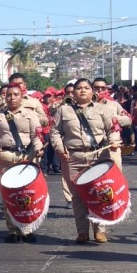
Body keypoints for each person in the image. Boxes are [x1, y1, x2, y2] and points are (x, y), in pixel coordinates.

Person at [50, 78, 120, 244]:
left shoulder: (102, 109)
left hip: (98, 157)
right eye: (79, 88)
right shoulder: (64, 111)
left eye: (86, 88)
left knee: (100, 193)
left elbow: (113, 128)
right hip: (74, 158)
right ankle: (82, 232)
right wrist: (60, 148)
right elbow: (54, 133)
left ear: (92, 92)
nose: (82, 91)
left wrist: (114, 141)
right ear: (73, 93)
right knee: (78, 196)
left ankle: (99, 230)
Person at [0, 84, 44, 243]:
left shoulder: (30, 115)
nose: (12, 98)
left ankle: (27, 229)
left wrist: (38, 148)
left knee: (26, 194)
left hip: (25, 157)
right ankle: (12, 229)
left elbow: (37, 136)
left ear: (22, 96)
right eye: (8, 95)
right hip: (4, 157)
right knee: (8, 195)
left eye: (15, 94)